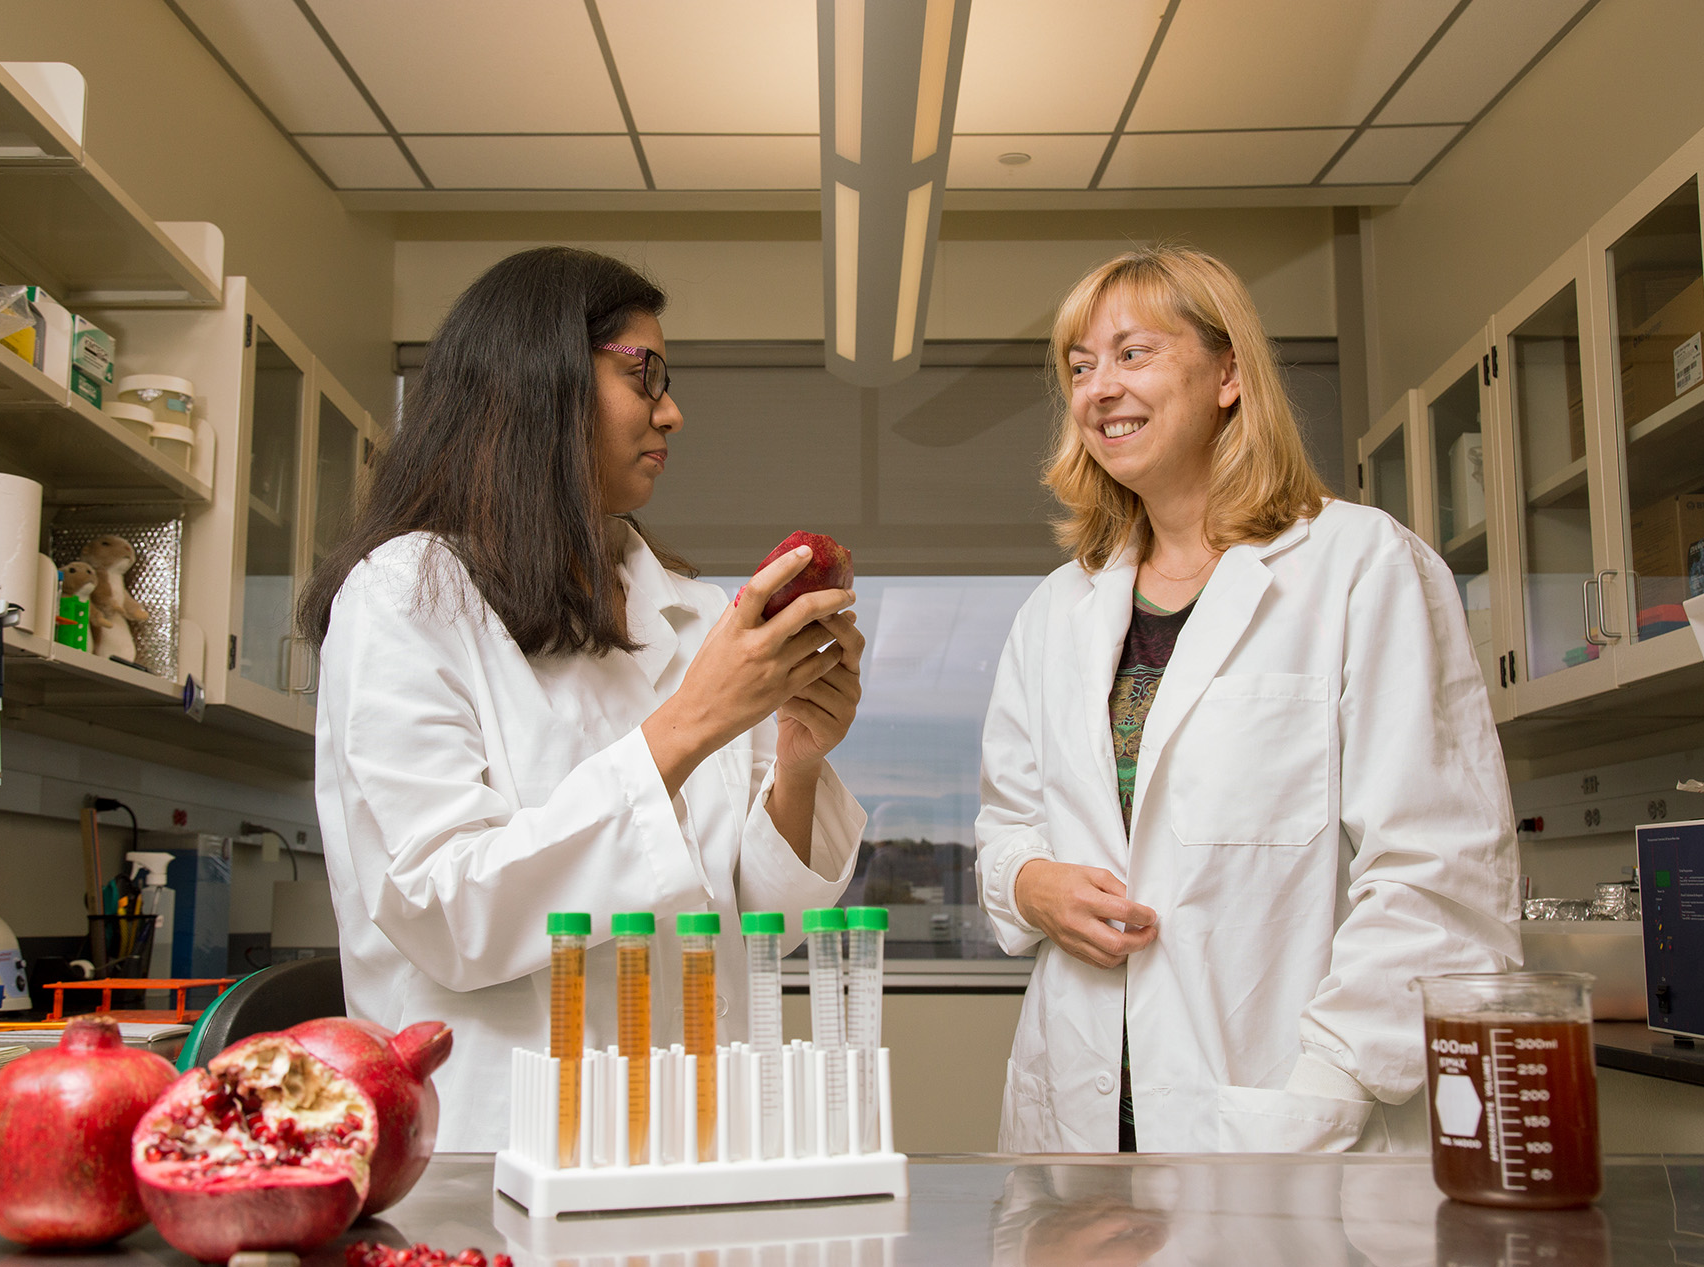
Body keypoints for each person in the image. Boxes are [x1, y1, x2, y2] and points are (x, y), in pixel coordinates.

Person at [302, 246, 868, 1150]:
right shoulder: (406, 593)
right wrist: (688, 727)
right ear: (538, 382)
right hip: (501, 1141)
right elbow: (446, 912)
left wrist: (795, 762)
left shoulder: (675, 609)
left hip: (696, 1130)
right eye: (644, 375)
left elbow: (762, 927)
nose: (673, 412)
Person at [975, 245, 1520, 1154]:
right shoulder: (1055, 610)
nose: (1099, 387)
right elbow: (1007, 826)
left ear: (1228, 372)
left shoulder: (1359, 568)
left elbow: (1439, 872)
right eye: (1080, 367)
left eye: (1133, 353)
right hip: (1077, 1123)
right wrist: (1030, 885)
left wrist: (1330, 1084)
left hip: (1278, 1115)